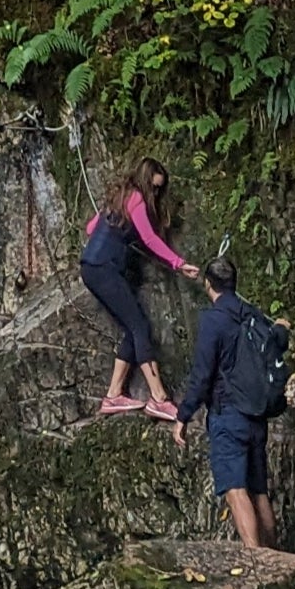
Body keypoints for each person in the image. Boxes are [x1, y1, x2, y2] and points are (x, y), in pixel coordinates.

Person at [171, 252, 285, 545]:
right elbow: (276, 343)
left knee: (236, 490)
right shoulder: (253, 314)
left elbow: (202, 375)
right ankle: (278, 559)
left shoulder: (213, 321)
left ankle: (257, 562)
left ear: (209, 284)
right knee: (259, 491)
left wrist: (183, 415)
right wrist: (282, 329)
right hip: (257, 416)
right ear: (234, 283)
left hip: (228, 415)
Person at [82, 158, 193, 421]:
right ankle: (159, 398)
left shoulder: (117, 197)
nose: (156, 193)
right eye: (154, 187)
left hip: (90, 267)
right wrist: (179, 263)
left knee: (133, 329)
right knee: (141, 327)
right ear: (146, 181)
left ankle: (113, 396)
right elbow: (150, 238)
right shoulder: (136, 200)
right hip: (104, 269)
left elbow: (90, 228)